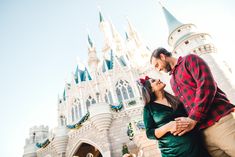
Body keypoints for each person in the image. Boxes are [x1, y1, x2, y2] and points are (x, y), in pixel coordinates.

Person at [150, 47, 235, 157]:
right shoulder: (172, 81)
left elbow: (206, 86)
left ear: (162, 56)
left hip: (220, 122)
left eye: (157, 65)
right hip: (203, 135)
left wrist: (193, 119)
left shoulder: (189, 60)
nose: (158, 69)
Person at [140, 76, 210, 157]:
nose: (158, 79)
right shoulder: (148, 108)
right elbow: (149, 134)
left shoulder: (176, 99)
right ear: (150, 89)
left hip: (197, 148)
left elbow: (191, 116)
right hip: (173, 154)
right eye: (153, 81)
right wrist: (168, 126)